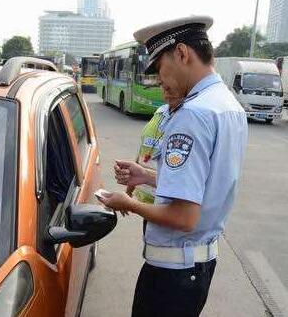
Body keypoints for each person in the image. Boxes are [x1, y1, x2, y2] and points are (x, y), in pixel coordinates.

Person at [98, 16, 248, 317]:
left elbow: (183, 216)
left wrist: (127, 203)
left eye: (159, 68)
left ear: (181, 53)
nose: (159, 79)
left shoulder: (192, 115)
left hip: (172, 275)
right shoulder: (227, 105)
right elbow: (202, 186)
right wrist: (149, 177)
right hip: (199, 266)